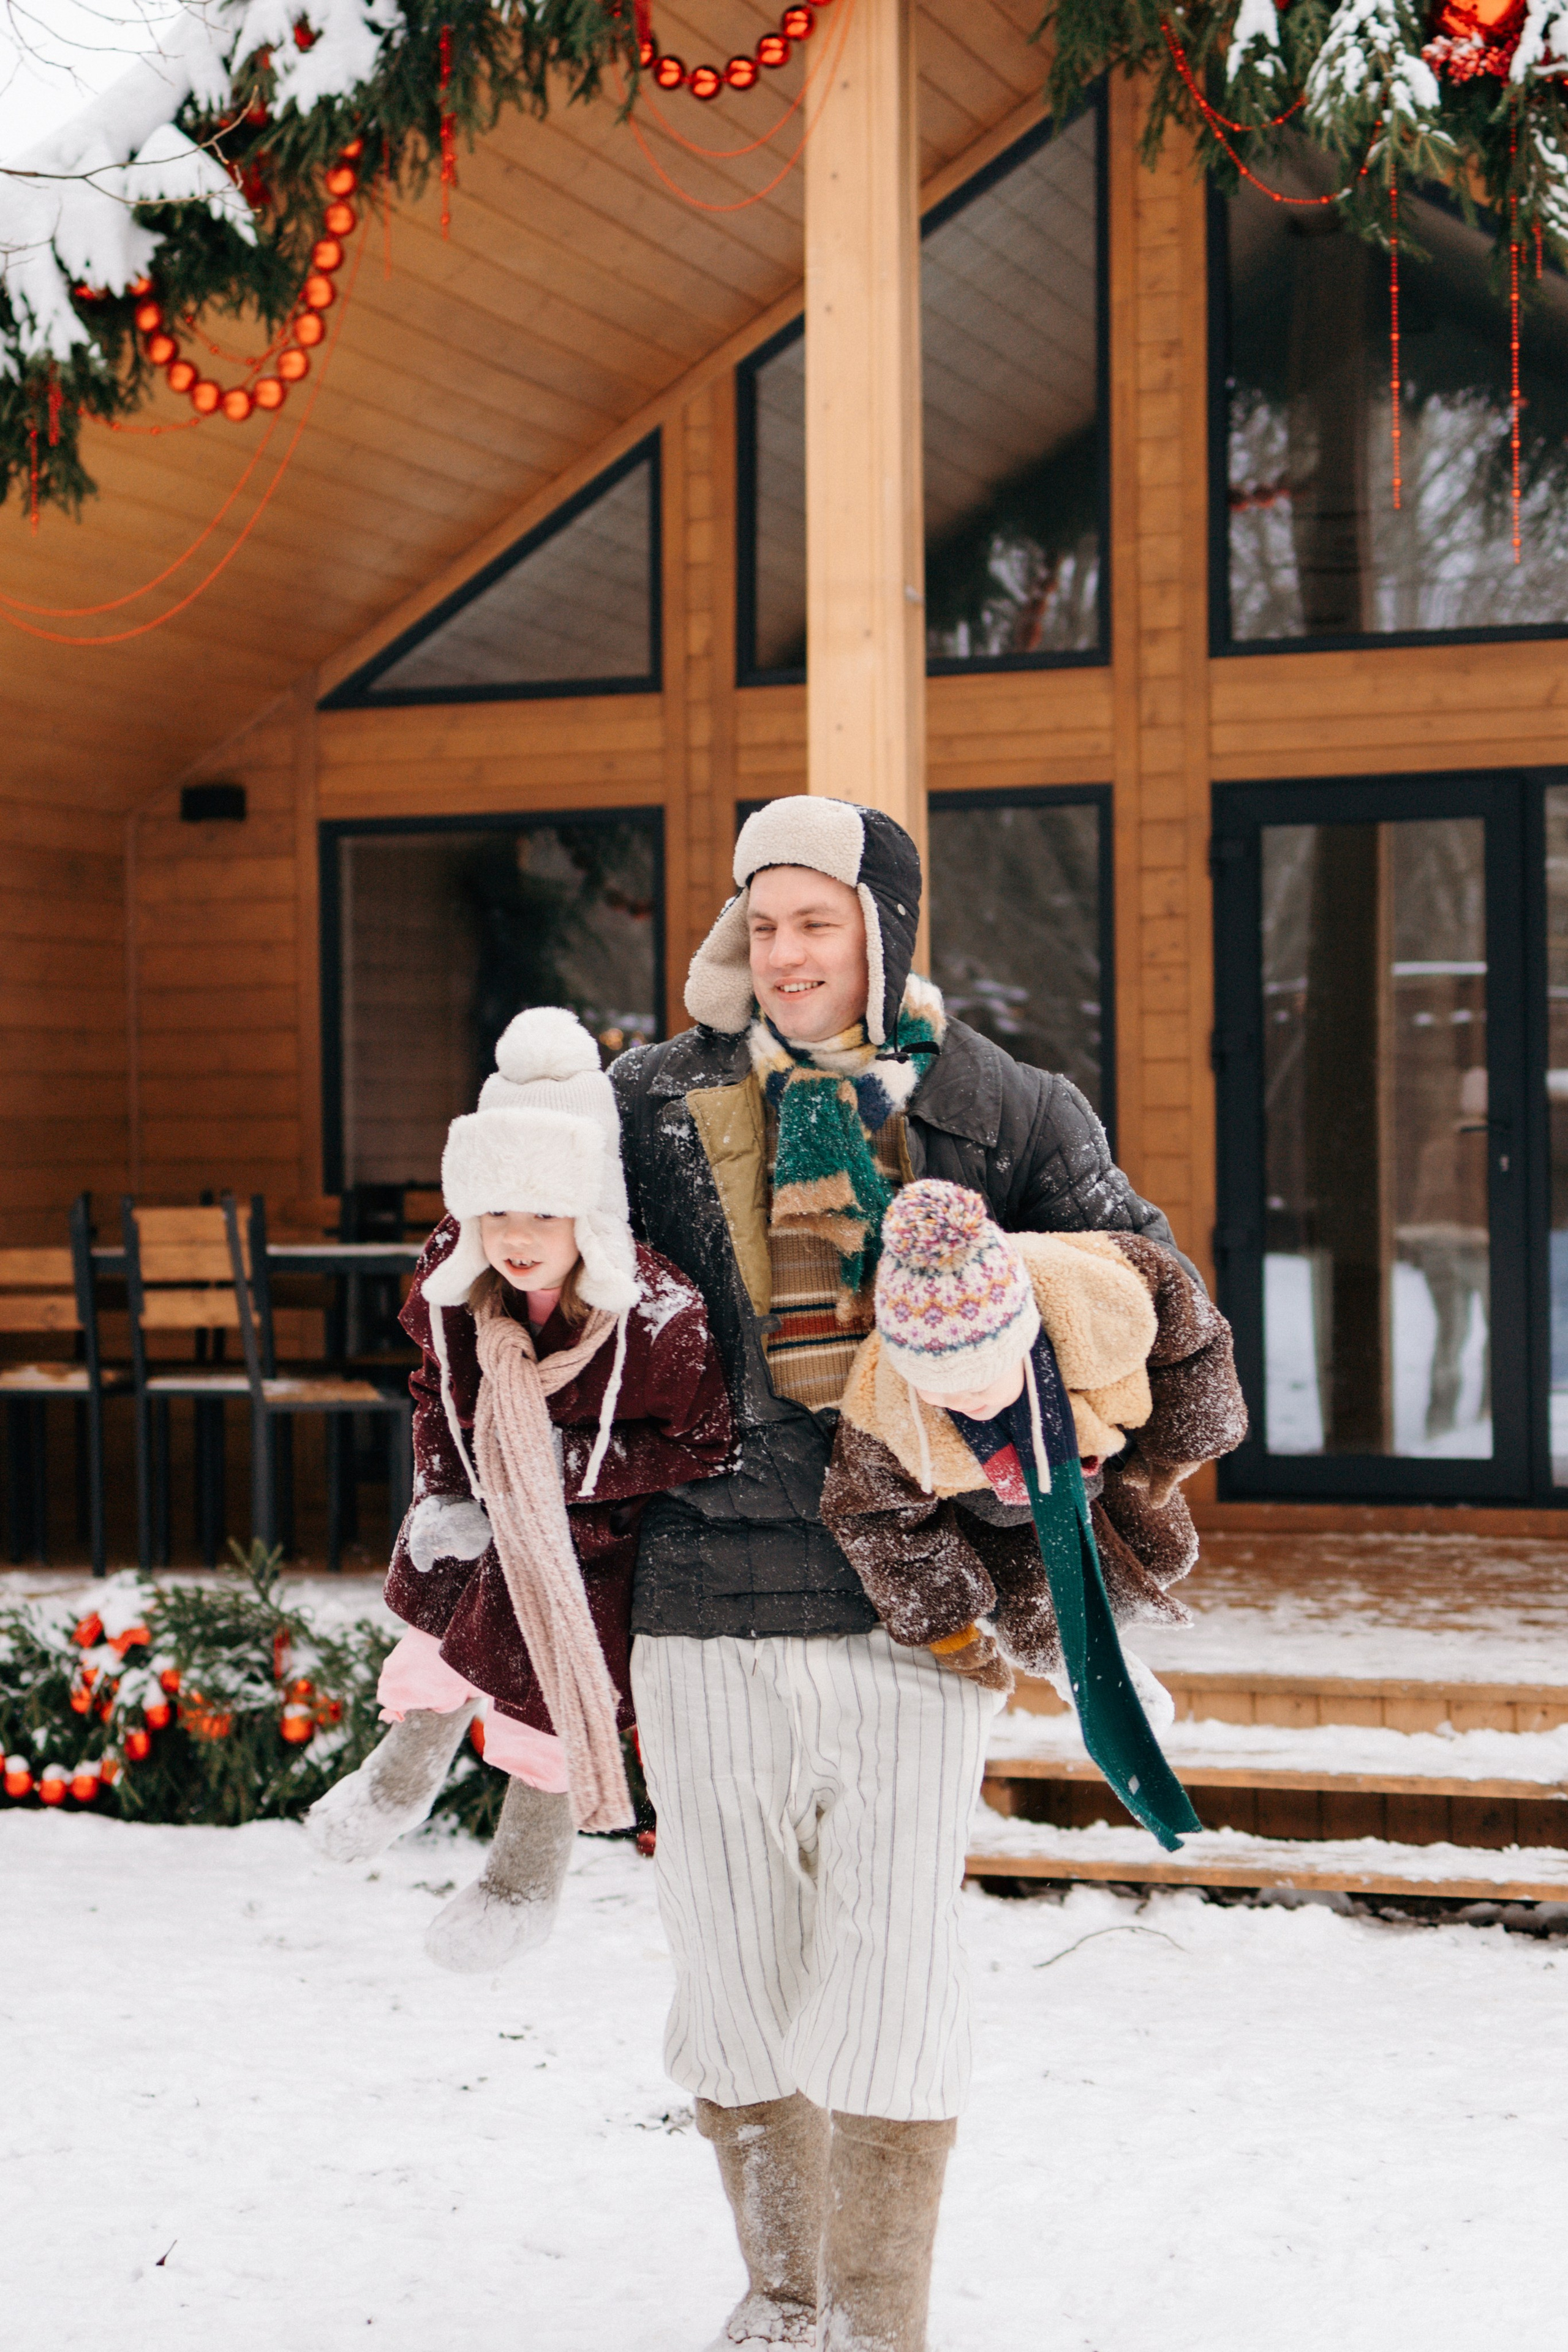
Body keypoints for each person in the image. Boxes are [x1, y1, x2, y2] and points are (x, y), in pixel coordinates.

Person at [608, 796, 1218, 2352]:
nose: (784, 953)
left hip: (910, 1620)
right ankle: (780, 2300)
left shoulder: (1002, 1107)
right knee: (729, 1983)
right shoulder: (647, 1101)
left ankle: (877, 2327)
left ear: (880, 931)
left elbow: (1163, 1304)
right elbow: (526, 1269)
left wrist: (1023, 1304)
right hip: (696, 1608)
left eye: (816, 922)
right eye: (762, 923)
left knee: (892, 1988)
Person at [307, 1005, 732, 1972]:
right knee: (448, 1600)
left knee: (549, 1661)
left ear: (590, 1210)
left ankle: (523, 1879)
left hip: (596, 1533)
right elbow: (434, 1388)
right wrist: (449, 1486)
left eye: (543, 1211)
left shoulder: (657, 1315)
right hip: (486, 1497)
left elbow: (704, 1437)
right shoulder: (460, 1286)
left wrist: (560, 1470)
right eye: (495, 1211)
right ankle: (399, 1777)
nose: (517, 1236)